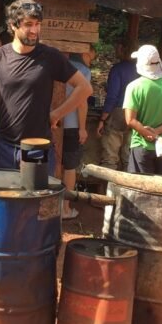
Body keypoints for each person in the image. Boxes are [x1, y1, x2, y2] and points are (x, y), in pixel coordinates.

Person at [0, 0, 92, 172]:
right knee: (3, 198)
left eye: (38, 24)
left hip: (37, 148)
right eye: (28, 24)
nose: (34, 30)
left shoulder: (50, 56)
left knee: (32, 199)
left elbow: (85, 88)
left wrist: (57, 114)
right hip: (4, 147)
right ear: (13, 25)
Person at [124, 44, 162, 177]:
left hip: (141, 146)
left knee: (139, 189)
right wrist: (158, 132)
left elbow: (130, 120)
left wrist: (146, 132)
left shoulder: (134, 87)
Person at [59, 46, 95, 219]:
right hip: (72, 125)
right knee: (70, 167)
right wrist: (82, 127)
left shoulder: (49, 63)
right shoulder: (82, 70)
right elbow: (82, 102)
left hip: (50, 122)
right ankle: (65, 208)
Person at [97, 41, 138, 171]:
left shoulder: (118, 69)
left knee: (110, 156)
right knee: (129, 156)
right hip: (137, 114)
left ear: (123, 50)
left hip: (119, 113)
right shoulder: (142, 70)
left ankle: (108, 189)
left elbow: (112, 97)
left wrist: (103, 119)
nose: (115, 51)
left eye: (118, 48)